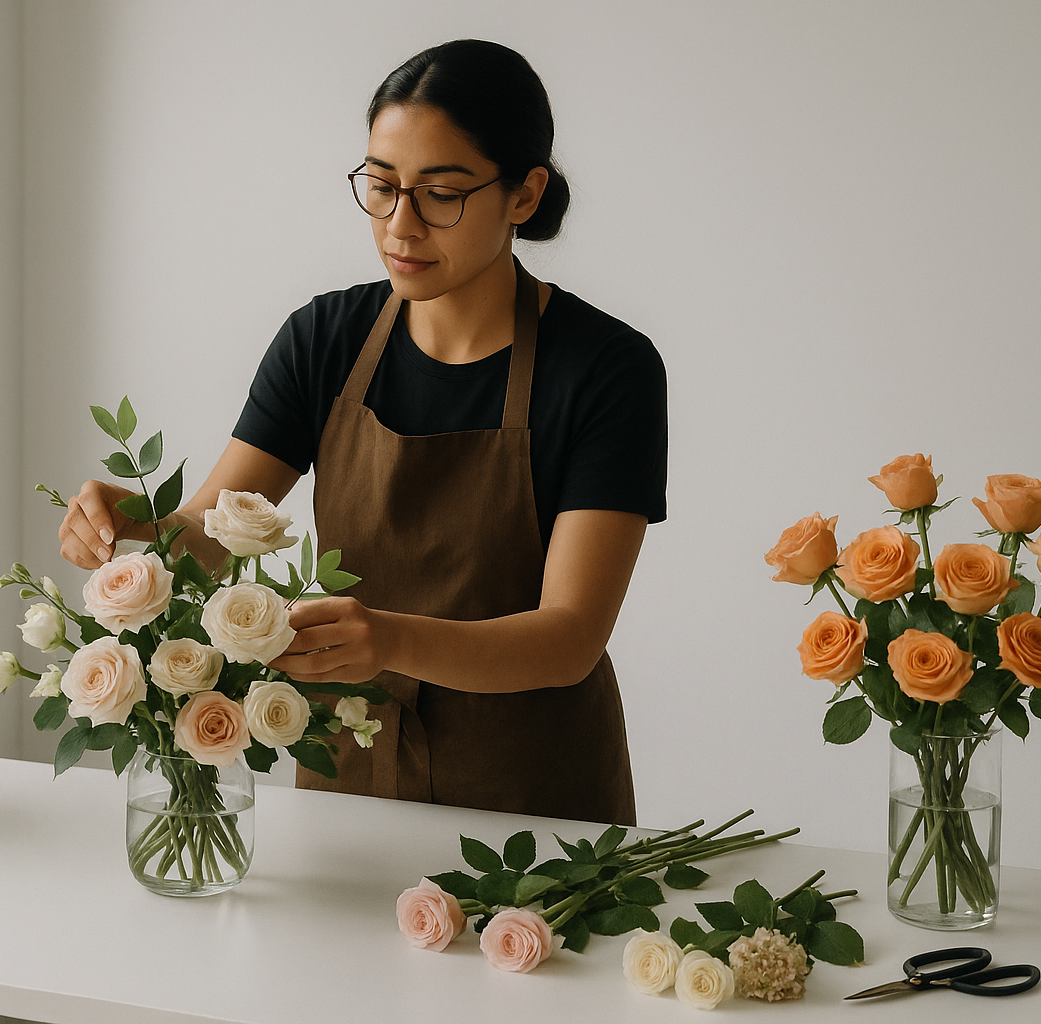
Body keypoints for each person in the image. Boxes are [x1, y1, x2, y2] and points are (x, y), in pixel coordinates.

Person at [59, 39, 666, 826]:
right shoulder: (327, 340)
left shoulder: (607, 368)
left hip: (535, 796)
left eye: (440, 193)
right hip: (352, 769)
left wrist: (385, 639)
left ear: (524, 193)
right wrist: (133, 525)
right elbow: (212, 532)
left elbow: (568, 638)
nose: (400, 226)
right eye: (380, 187)